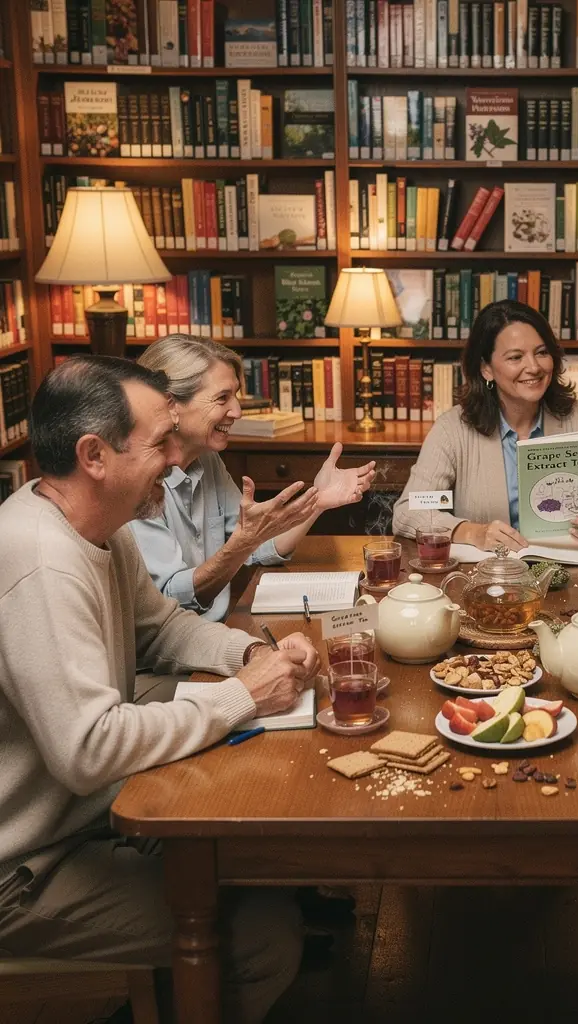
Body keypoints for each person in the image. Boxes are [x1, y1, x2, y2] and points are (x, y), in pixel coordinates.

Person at [0, 355, 319, 1023]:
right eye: (161, 444)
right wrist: (244, 696)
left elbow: (163, 627)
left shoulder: (97, 526)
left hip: (79, 818)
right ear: (94, 455)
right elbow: (89, 748)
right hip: (23, 870)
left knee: (253, 853)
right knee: (263, 936)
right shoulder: (40, 563)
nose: (177, 462)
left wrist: (251, 654)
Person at [130, 334, 376, 622]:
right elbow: (169, 599)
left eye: (235, 395)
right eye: (222, 398)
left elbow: (258, 546)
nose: (237, 411)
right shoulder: (137, 481)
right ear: (171, 405)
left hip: (217, 632)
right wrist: (243, 544)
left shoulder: (207, 459)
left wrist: (317, 500)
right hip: (175, 644)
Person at [392, 299, 578, 551]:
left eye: (542, 353)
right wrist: (472, 532)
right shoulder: (453, 429)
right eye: (516, 357)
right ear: (486, 369)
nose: (534, 367)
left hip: (568, 566)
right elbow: (411, 508)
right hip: (486, 571)